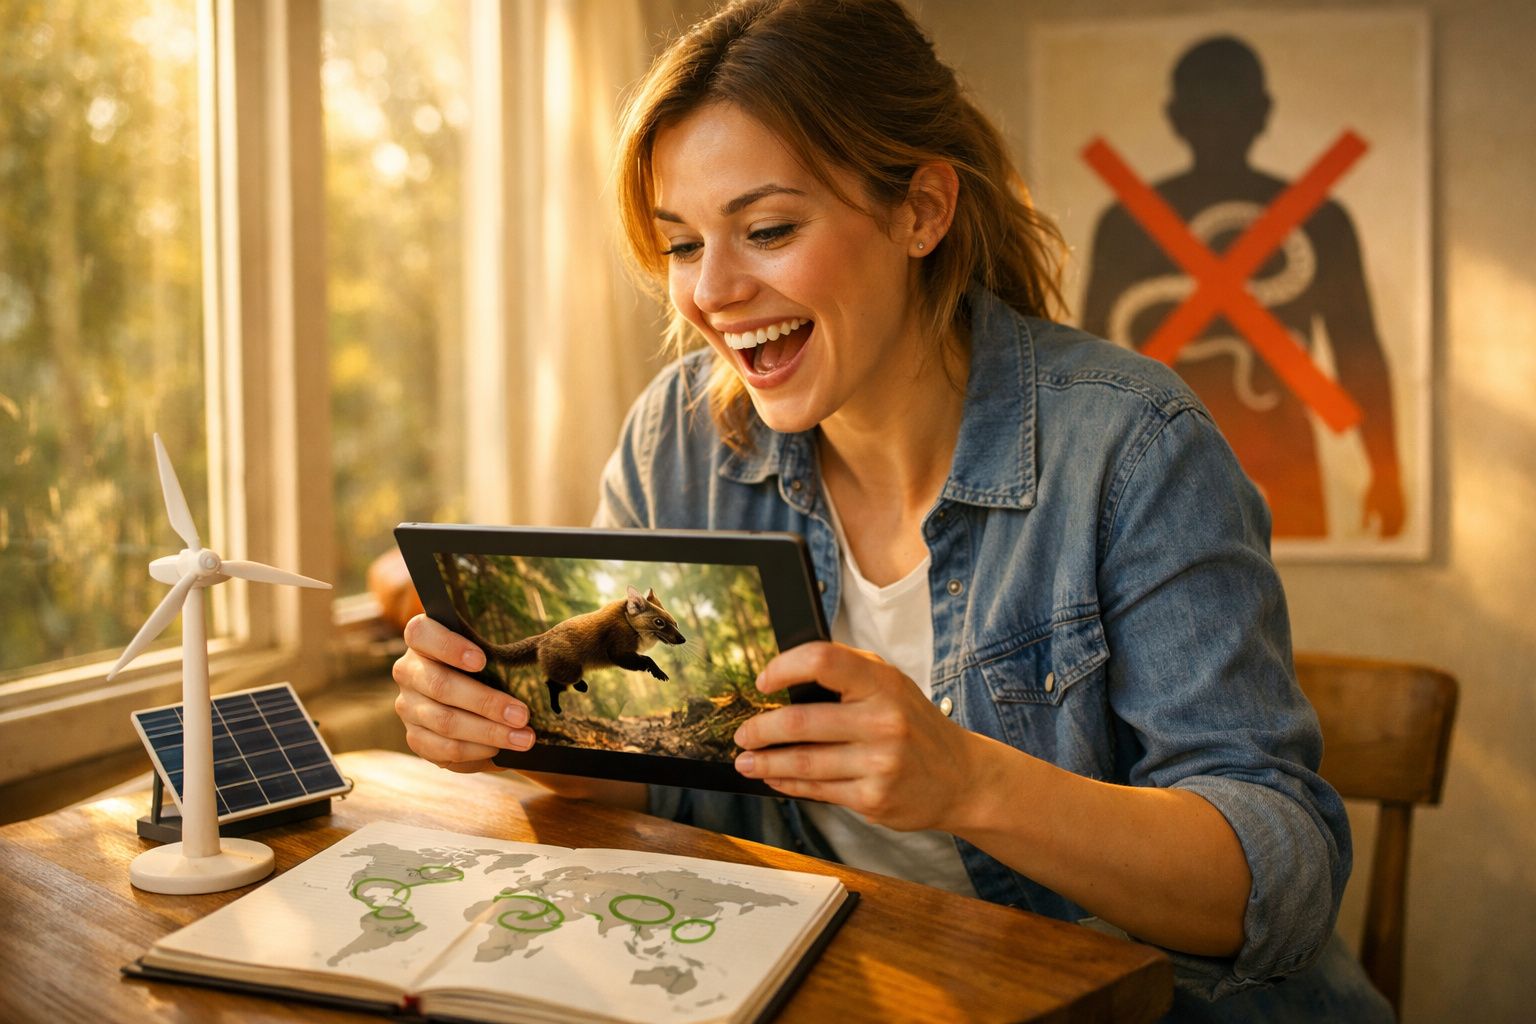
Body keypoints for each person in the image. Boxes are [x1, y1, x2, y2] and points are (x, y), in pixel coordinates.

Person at [391, 1, 1390, 1018]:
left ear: (923, 210)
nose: (713, 291)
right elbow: (655, 779)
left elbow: (1282, 884)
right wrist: (507, 727)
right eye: (682, 244)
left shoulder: (1135, 449)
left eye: (768, 229)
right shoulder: (680, 442)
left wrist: (970, 782)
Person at [1081, 35, 1405, 541]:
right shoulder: (1125, 224)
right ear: (1265, 111)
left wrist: (1386, 472)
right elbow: (1092, 367)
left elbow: (1357, 350)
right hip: (1156, 469)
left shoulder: (1320, 221)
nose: (1218, 122)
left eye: (1228, 107)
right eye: (1206, 108)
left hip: (1274, 467)